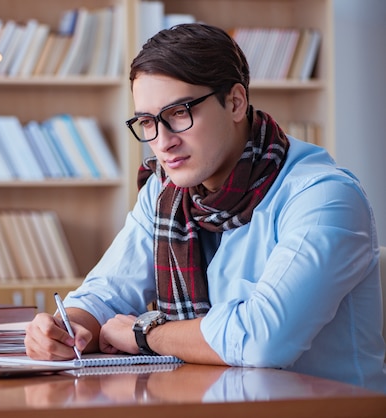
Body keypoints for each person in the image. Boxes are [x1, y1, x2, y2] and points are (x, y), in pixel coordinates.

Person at [24, 23, 386, 392]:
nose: (163, 142)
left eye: (179, 113)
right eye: (147, 122)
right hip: (206, 400)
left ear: (235, 102)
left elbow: (261, 340)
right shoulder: (164, 193)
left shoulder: (324, 197)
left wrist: (146, 333)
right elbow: (105, 294)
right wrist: (65, 330)